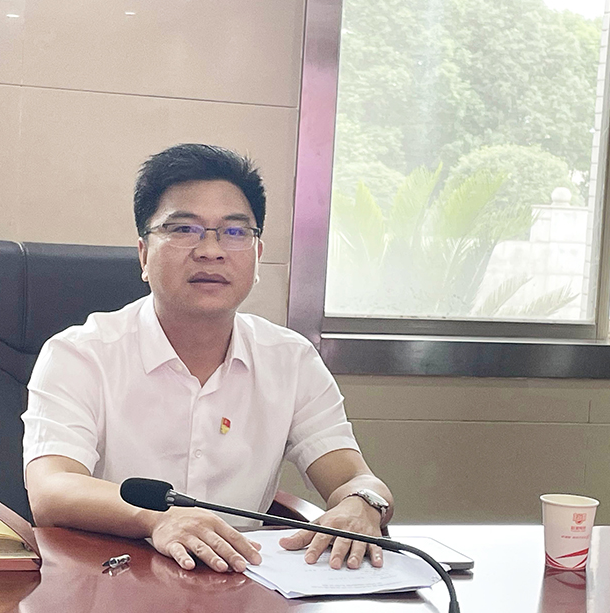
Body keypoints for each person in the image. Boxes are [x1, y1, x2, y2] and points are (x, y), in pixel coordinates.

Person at [23, 143, 393, 574]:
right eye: (184, 229)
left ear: (257, 255)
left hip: (240, 586)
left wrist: (362, 504)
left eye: (235, 232)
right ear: (143, 254)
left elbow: (354, 478)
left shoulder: (291, 361)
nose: (211, 250)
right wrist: (157, 519)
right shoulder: (79, 354)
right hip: (106, 580)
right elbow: (52, 488)